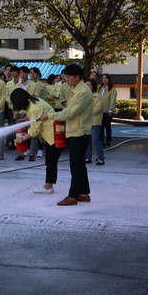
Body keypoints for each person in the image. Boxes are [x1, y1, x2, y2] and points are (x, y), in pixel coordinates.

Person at [40, 64, 93, 206]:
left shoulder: (83, 92)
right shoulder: (73, 88)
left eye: (68, 78)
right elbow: (59, 92)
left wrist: (50, 115)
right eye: (64, 78)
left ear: (77, 77)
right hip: (73, 130)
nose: (65, 81)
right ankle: (83, 193)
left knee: (75, 165)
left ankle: (73, 196)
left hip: (79, 132)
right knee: (79, 164)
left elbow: (70, 112)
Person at [11, 88, 63, 194]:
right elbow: (35, 116)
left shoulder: (35, 107)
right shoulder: (34, 100)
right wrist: (26, 119)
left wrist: (21, 139)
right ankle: (48, 185)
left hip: (52, 135)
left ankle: (48, 187)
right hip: (52, 133)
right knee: (50, 161)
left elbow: (34, 130)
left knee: (51, 161)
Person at [84, 79, 105, 165]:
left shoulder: (97, 96)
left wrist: (86, 113)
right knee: (87, 140)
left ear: (93, 86)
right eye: (86, 85)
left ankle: (101, 159)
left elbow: (98, 108)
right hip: (86, 122)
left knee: (95, 140)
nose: (87, 87)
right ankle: (88, 157)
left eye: (89, 85)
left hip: (95, 122)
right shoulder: (84, 96)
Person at [99, 73, 117, 147]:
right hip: (99, 111)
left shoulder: (112, 90)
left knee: (107, 126)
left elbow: (113, 100)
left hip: (107, 111)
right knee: (101, 127)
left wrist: (110, 110)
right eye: (103, 78)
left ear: (109, 79)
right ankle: (101, 140)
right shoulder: (100, 89)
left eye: (106, 78)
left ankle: (108, 140)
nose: (104, 80)